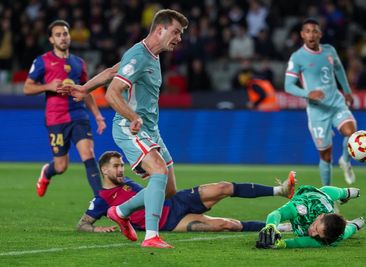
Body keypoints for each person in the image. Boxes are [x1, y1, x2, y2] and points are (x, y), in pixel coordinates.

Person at [59, 9, 189, 248]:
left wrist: (84, 88)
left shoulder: (152, 54)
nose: (179, 38)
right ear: (160, 30)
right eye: (176, 32)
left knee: (169, 189)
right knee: (158, 170)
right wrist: (132, 116)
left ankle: (120, 212)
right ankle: (151, 237)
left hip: (150, 129)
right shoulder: (139, 55)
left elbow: (111, 72)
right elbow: (112, 93)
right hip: (129, 126)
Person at [77, 151, 296, 235]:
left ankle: (280, 190)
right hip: (170, 222)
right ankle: (281, 227)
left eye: (121, 165)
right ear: (104, 170)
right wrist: (98, 229)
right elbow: (82, 224)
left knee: (224, 187)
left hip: (175, 200)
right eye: (116, 166)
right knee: (228, 225)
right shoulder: (101, 200)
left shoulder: (126, 182)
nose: (120, 169)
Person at [23, 20, 106, 197]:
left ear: (69, 37)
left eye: (65, 34)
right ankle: (47, 172)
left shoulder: (79, 63)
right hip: (56, 118)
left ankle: (101, 201)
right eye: (58, 35)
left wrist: (98, 116)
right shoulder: (42, 61)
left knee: (88, 153)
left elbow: (86, 90)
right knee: (61, 166)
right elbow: (27, 88)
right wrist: (48, 86)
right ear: (51, 39)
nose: (63, 38)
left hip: (79, 115)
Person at [284, 18, 357, 186]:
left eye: (315, 31)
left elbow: (338, 68)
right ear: (302, 35)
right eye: (308, 31)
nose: (311, 34)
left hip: (336, 103)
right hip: (317, 112)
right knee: (326, 156)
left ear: (320, 34)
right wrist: (308, 94)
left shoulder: (329, 51)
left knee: (351, 132)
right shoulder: (297, 57)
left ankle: (345, 161)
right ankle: (327, 195)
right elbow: (288, 86)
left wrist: (346, 90)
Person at [256, 183, 365, 249]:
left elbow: (307, 242)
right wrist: (271, 225)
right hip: (316, 196)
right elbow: (277, 213)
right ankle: (348, 192)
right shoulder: (301, 207)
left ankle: (358, 223)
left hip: (325, 208)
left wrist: (282, 244)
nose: (313, 233)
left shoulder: (330, 237)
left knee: (346, 233)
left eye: (318, 234)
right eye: (316, 228)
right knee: (331, 192)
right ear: (320, 216)